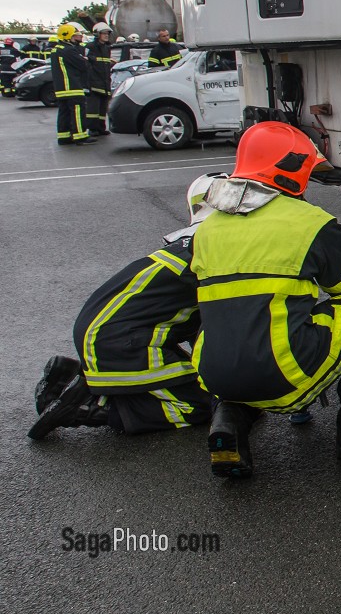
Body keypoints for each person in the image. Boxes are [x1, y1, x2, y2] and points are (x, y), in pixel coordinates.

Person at [191, 122, 341, 479]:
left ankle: (229, 422)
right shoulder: (310, 223)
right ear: (291, 170)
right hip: (284, 371)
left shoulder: (208, 226)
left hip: (212, 374)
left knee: (239, 320)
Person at [28, 174, 224, 440]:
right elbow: (215, 327)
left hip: (106, 333)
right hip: (118, 342)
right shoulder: (213, 250)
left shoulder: (186, 243)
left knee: (202, 382)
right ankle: (91, 407)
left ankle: (81, 379)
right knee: (199, 405)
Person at [52, 22, 93, 146]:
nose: (76, 38)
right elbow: (83, 65)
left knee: (64, 112)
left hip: (60, 88)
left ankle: (63, 136)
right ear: (67, 36)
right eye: (73, 36)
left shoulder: (56, 49)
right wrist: (85, 60)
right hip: (72, 86)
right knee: (77, 110)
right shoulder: (69, 50)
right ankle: (80, 135)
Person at [85, 22, 115, 136]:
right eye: (104, 33)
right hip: (94, 82)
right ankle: (92, 129)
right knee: (93, 108)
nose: (106, 35)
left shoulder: (106, 48)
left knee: (102, 108)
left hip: (104, 81)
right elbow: (87, 64)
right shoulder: (90, 47)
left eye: (107, 33)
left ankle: (101, 128)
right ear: (97, 34)